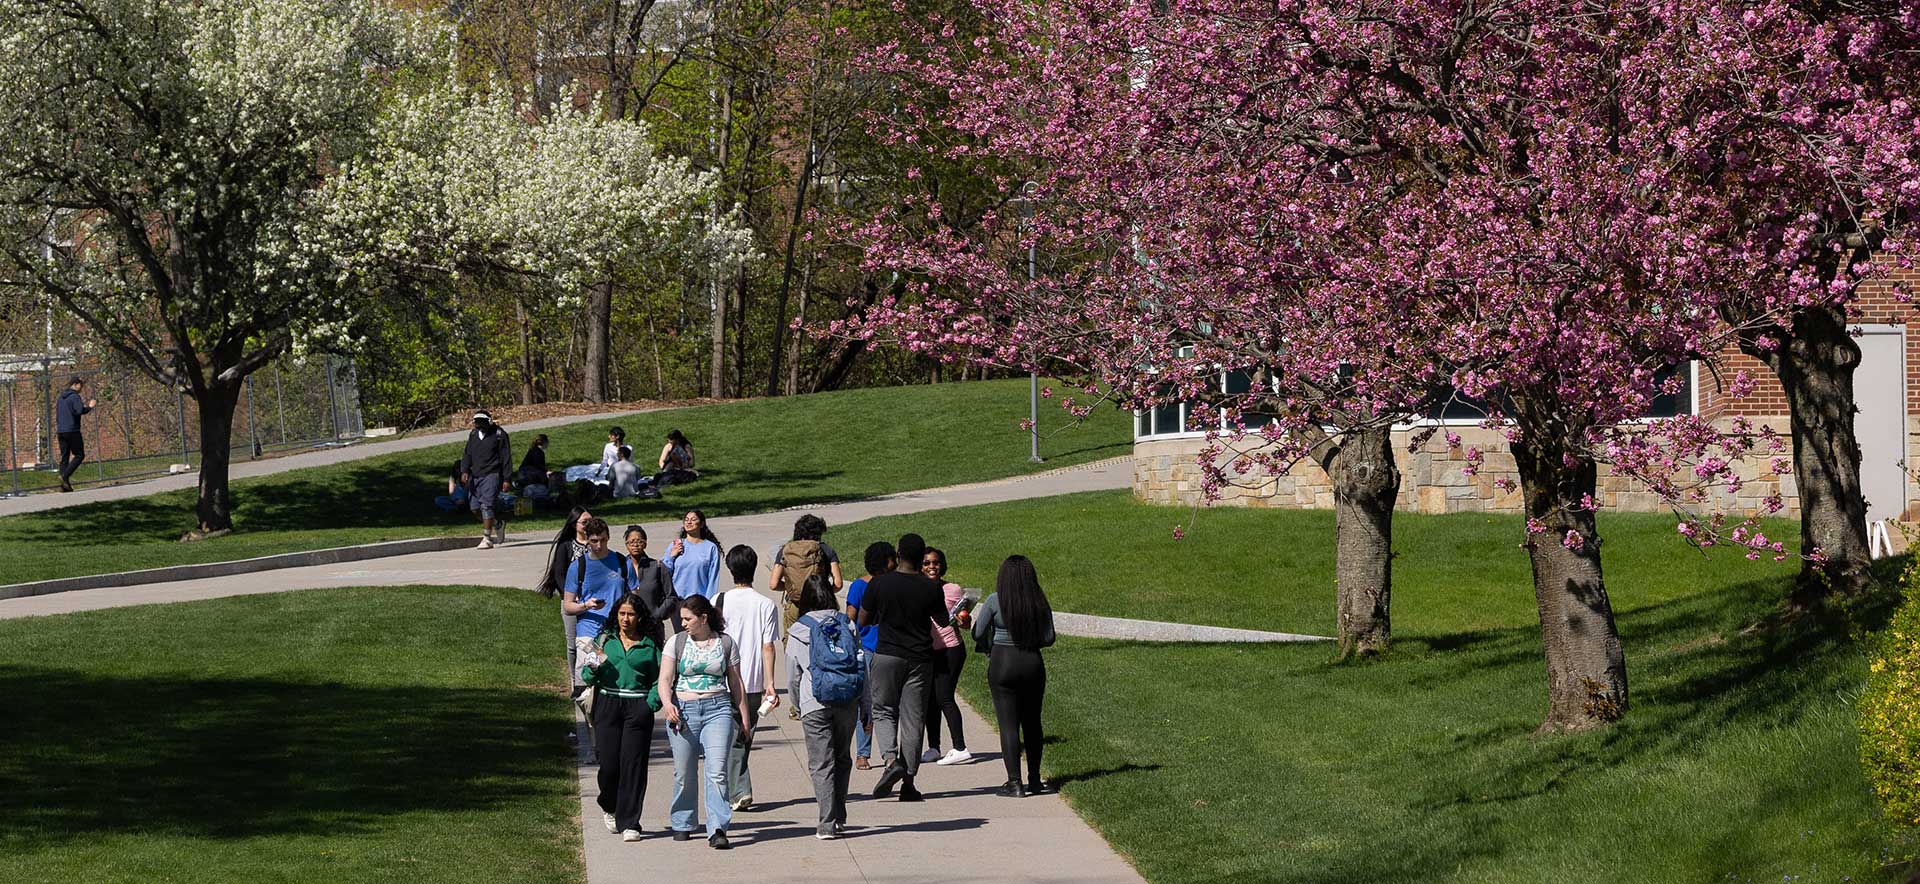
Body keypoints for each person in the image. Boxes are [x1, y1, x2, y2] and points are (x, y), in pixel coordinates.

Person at [858, 532, 950, 802]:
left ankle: (890, 761)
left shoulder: (880, 584)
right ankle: (908, 783)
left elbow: (863, 619)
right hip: (920, 659)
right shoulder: (930, 587)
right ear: (922, 558)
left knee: (883, 709)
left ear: (898, 554)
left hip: (887, 654)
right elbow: (943, 621)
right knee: (913, 719)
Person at [658, 594, 750, 849]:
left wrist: (744, 717)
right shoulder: (675, 643)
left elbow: (736, 683)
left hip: (717, 709)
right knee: (684, 772)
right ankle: (683, 821)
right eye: (682, 619)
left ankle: (718, 828)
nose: (683, 623)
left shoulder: (725, 643)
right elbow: (664, 679)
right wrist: (668, 704)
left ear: (704, 618)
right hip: (684, 712)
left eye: (688, 619)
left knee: (717, 772)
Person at [972, 554, 1057, 798]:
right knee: (1032, 722)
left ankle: (1014, 782)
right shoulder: (1039, 600)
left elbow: (978, 632)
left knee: (1008, 725)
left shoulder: (994, 600)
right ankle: (1034, 779)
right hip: (1032, 662)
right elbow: (1049, 637)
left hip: (1003, 663)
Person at [581, 593, 662, 842]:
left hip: (637, 706)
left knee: (633, 765)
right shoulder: (604, 640)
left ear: (639, 617)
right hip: (608, 703)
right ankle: (609, 804)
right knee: (609, 763)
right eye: (622, 614)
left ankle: (631, 822)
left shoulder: (650, 645)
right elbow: (586, 675)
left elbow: (661, 678)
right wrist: (593, 668)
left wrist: (650, 703)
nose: (626, 619)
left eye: (631, 614)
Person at [785, 574, 859, 840]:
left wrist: (796, 704)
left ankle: (826, 822)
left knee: (821, 763)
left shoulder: (798, 629)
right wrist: (867, 703)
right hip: (847, 699)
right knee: (842, 757)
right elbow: (860, 663)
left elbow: (793, 673)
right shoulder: (847, 624)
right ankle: (839, 815)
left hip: (813, 701)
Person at [716, 545, 780, 811]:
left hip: (723, 679)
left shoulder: (717, 601)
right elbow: (768, 646)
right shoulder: (766, 604)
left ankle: (737, 791)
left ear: (730, 570)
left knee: (737, 737)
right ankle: (738, 790)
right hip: (752, 680)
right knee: (742, 735)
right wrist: (770, 682)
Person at [843, 541, 892, 770]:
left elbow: (849, 617)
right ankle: (865, 752)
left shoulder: (861, 586)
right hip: (871, 649)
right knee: (872, 703)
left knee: (873, 702)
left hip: (879, 648)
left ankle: (874, 753)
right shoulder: (863, 586)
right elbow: (850, 617)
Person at [920, 547, 970, 766]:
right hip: (929, 651)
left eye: (936, 562)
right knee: (930, 699)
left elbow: (965, 624)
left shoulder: (952, 589)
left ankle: (960, 747)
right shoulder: (916, 590)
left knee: (944, 696)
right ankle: (934, 747)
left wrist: (965, 622)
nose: (932, 566)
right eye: (927, 563)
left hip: (951, 649)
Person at [538, 506, 594, 691]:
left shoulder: (596, 544)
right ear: (574, 524)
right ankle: (574, 680)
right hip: (571, 602)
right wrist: (570, 596)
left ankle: (591, 676)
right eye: (584, 522)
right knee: (573, 644)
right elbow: (559, 575)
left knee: (592, 642)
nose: (588, 525)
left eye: (590, 522)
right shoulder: (566, 546)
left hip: (593, 602)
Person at [769, 513, 844, 634]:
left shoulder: (786, 550)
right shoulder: (826, 550)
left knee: (792, 642)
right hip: (821, 605)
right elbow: (838, 583)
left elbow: (773, 584)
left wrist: (791, 587)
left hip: (795, 604)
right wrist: (823, 590)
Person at [460, 410, 513, 549]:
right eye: (476, 422)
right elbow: (467, 454)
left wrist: (507, 478)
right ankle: (497, 524)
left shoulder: (499, 434)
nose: (478, 425)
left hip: (492, 474)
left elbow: (506, 458)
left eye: (481, 422)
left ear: (489, 421)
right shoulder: (473, 435)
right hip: (476, 475)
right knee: (475, 508)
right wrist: (464, 470)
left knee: (487, 505)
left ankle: (487, 538)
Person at [623, 525, 679, 640]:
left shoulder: (657, 567)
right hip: (626, 628)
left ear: (645, 544)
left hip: (653, 629)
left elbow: (671, 597)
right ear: (626, 544)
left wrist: (657, 615)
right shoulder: (620, 568)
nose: (635, 545)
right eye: (631, 541)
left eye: (639, 541)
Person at [663, 510, 723, 602]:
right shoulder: (675, 545)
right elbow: (664, 573)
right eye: (686, 520)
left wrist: (708, 602)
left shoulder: (710, 548)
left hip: (698, 602)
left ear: (702, 524)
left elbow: (713, 579)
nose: (689, 522)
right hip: (677, 601)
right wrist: (671, 556)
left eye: (693, 519)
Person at [54, 375, 95, 492]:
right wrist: (90, 407)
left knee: (64, 457)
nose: (81, 388)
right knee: (79, 455)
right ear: (76, 384)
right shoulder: (74, 397)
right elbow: (79, 411)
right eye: (80, 386)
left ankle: (64, 486)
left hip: (61, 430)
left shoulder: (61, 398)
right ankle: (64, 476)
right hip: (72, 430)